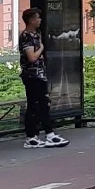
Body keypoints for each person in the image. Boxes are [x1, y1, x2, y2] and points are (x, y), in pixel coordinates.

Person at [19, 8, 68, 148]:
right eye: (37, 17)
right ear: (31, 20)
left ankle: (48, 133)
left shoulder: (37, 34)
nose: (40, 20)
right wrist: (41, 48)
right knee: (34, 105)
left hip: (40, 74)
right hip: (32, 75)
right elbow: (32, 57)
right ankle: (32, 136)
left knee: (44, 103)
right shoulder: (26, 36)